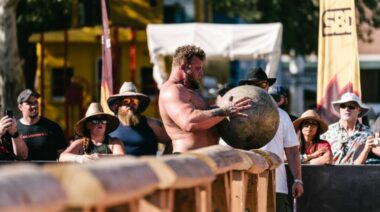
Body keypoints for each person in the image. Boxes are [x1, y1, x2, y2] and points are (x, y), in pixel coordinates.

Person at [159, 45, 252, 153]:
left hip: (207, 161)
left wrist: (222, 107)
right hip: (188, 161)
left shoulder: (189, 90)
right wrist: (224, 110)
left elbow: (203, 114)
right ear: (183, 67)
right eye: (198, 68)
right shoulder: (171, 90)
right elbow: (190, 122)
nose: (201, 73)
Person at [239, 67, 303, 212]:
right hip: (244, 184)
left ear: (268, 87)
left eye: (262, 84)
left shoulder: (282, 116)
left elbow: (293, 151)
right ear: (246, 88)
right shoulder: (236, 115)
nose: (259, 88)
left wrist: (298, 179)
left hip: (276, 185)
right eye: (253, 85)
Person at [107, 81, 171, 156]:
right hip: (118, 167)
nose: (130, 105)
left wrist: (164, 160)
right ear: (118, 105)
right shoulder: (109, 125)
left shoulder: (152, 125)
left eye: (134, 101)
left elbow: (172, 141)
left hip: (148, 167)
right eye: (126, 101)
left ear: (139, 105)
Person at [59, 103, 125, 163]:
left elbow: (122, 158)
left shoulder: (114, 142)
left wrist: (102, 157)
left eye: (103, 120)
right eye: (95, 120)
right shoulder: (80, 143)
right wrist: (80, 158)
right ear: (88, 125)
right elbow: (62, 157)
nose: (100, 123)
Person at [321, 92, 374, 165]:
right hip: (331, 175)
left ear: (359, 110)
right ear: (340, 109)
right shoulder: (327, 131)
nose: (346, 109)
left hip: (358, 175)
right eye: (343, 106)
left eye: (351, 106)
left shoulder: (369, 133)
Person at [16, 89, 67, 161]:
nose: (34, 106)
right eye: (29, 103)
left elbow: (63, 155)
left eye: (35, 102)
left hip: (47, 171)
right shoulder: (14, 129)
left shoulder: (53, 127)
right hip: (23, 171)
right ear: (20, 107)